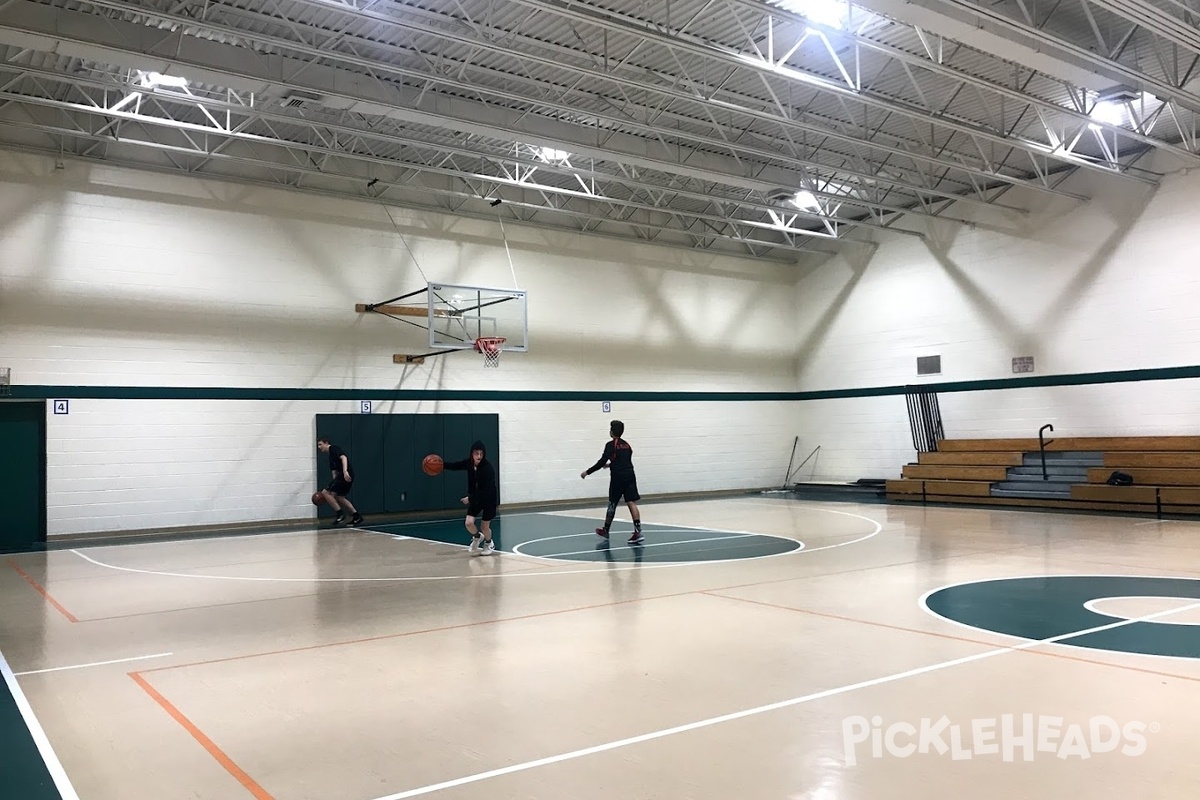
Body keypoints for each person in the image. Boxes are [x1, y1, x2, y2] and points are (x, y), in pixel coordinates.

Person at [581, 420, 643, 544]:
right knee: (631, 502)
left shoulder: (611, 445)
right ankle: (638, 531)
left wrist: (588, 472)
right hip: (630, 475)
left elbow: (601, 462)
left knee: (612, 503)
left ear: (612, 431)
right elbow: (623, 460)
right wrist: (611, 465)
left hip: (618, 478)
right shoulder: (627, 445)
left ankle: (606, 530)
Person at [444, 440, 498, 555]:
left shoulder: (487, 469)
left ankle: (489, 543)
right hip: (476, 497)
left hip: (489, 498)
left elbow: (485, 491)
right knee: (468, 523)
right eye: (476, 453)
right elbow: (455, 465)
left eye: (481, 454)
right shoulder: (469, 463)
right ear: (472, 454)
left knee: (484, 526)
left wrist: (470, 499)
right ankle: (477, 537)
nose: (478, 456)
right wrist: (442, 465)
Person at [317, 436, 363, 527]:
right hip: (341, 476)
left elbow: (344, 457)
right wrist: (333, 486)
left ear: (326, 443)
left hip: (345, 475)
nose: (319, 447)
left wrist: (345, 471)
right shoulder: (330, 456)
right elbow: (334, 472)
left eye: (320, 444)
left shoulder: (333, 449)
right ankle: (357, 516)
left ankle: (340, 514)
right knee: (340, 497)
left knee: (325, 492)